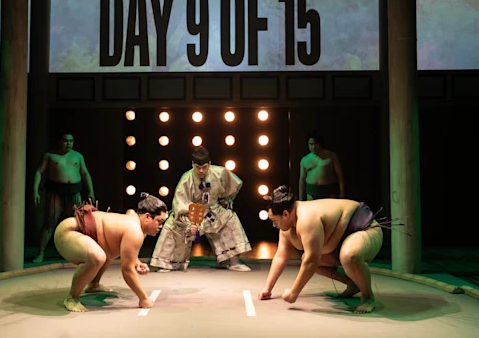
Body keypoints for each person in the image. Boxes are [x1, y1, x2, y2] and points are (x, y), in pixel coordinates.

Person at [258, 186, 397, 314]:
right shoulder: (286, 228)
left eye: (274, 221)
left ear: (285, 214)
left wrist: (294, 292)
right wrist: (268, 288)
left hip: (366, 229)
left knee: (349, 256)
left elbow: (312, 259)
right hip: (341, 242)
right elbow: (281, 256)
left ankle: (368, 298)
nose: (274, 225)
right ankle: (352, 283)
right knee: (308, 259)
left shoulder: (307, 218)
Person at [54, 192, 168, 312]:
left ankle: (94, 284)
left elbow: (129, 254)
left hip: (81, 233)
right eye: (159, 221)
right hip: (68, 232)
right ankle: (72, 297)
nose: (160, 226)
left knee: (110, 250)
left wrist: (137, 263)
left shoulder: (134, 221)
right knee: (98, 256)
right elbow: (127, 271)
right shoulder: (135, 232)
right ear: (147, 217)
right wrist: (143, 298)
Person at [150, 146, 252, 272]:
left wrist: (225, 202)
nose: (201, 171)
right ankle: (168, 263)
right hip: (192, 214)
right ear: (193, 164)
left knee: (230, 217)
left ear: (209, 164)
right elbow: (179, 207)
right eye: (198, 167)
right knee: (172, 225)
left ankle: (232, 261)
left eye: (204, 167)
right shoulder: (186, 180)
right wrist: (190, 224)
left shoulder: (220, 173)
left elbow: (233, 187)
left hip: (213, 211)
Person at [33, 133, 95, 263]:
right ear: (59, 141)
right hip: (55, 191)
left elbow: (85, 173)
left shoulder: (78, 156)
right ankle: (40, 253)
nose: (69, 143)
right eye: (66, 141)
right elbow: (39, 172)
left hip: (74, 191)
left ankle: (81, 252)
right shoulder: (50, 156)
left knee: (79, 223)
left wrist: (91, 191)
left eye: (71, 141)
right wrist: (35, 191)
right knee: (50, 222)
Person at [299, 131, 344, 200]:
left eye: (316, 143)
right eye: (311, 144)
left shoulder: (331, 156)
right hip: (311, 192)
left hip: (329, 192)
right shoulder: (304, 160)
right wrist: (301, 198)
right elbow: (302, 179)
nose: (313, 146)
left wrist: (342, 193)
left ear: (320, 143)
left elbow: (340, 175)